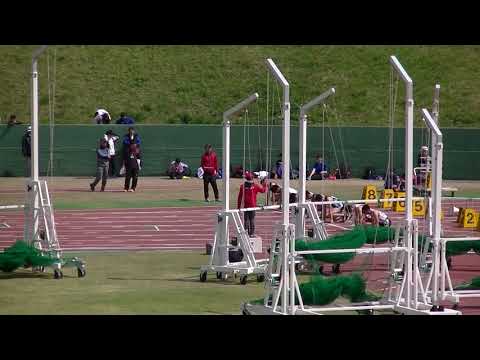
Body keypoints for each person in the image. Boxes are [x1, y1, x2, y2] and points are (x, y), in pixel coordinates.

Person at [237, 171, 268, 236]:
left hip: (246, 206)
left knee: (246, 220)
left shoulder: (242, 186)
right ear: (252, 178)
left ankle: (246, 233)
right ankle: (252, 233)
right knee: (251, 219)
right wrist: (265, 184)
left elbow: (240, 197)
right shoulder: (255, 186)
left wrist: (238, 207)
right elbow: (263, 190)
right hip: (252, 205)